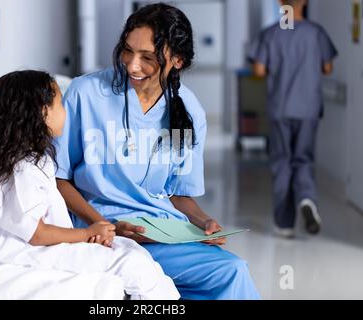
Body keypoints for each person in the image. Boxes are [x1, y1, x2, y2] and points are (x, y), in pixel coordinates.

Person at [54, 3, 260, 300]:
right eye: (127, 50)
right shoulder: (85, 94)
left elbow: (176, 193)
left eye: (147, 58)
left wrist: (203, 223)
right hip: (101, 233)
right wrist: (105, 224)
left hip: (161, 235)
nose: (132, 65)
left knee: (233, 270)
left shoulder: (188, 111)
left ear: (177, 60)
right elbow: (60, 179)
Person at [0, 70, 180, 300]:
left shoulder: (24, 160)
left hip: (31, 246)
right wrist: (86, 233)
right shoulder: (23, 168)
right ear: (42, 112)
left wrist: (89, 234)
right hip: (19, 252)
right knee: (132, 263)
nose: (65, 112)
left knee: (129, 251)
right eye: (60, 104)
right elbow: (35, 234)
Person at [248, 0, 338, 238]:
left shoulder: (270, 34)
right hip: (307, 108)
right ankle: (307, 199)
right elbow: (327, 67)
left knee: (282, 163)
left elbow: (258, 70)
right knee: (303, 159)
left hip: (280, 109)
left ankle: (284, 224)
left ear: (280, 3)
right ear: (304, 2)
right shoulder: (316, 32)